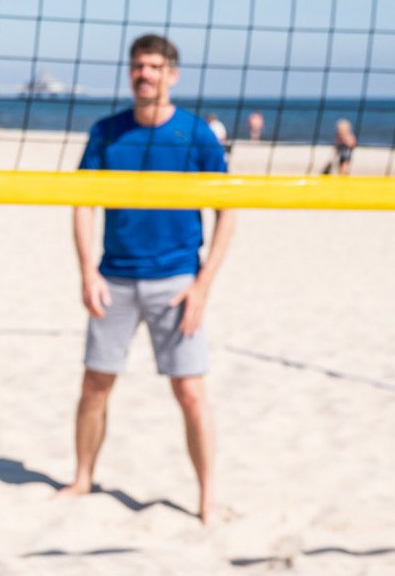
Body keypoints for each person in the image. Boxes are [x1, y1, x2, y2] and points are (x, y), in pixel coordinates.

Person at [56, 34, 235, 526]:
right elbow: (82, 202)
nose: (145, 74)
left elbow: (228, 212)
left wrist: (203, 285)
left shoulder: (196, 135)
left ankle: (207, 500)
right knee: (95, 384)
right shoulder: (107, 131)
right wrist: (86, 270)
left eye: (155, 67)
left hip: (175, 281)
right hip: (113, 279)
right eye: (139, 66)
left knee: (191, 392)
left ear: (172, 74)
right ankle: (82, 478)